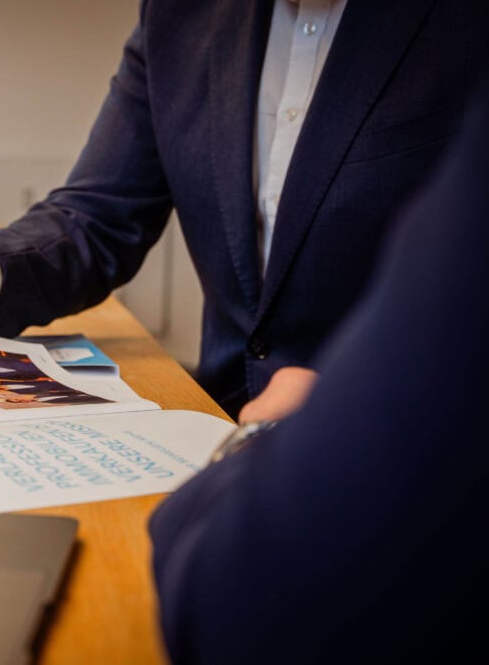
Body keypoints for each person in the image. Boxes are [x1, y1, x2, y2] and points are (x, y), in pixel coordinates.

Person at [0, 0, 489, 417]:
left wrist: (376, 403)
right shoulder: (185, 3)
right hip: (214, 436)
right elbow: (96, 216)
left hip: (415, 470)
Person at [147, 80, 489, 663]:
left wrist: (254, 441)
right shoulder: (178, 1)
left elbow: (240, 606)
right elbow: (99, 203)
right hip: (219, 409)